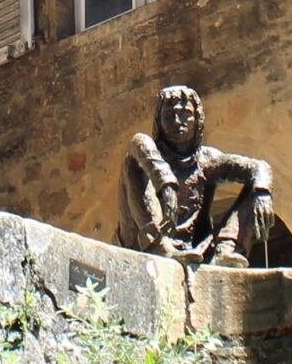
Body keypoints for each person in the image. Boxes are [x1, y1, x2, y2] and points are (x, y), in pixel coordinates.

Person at [118, 85, 275, 267]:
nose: (177, 121)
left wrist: (262, 192)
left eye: (186, 114)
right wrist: (165, 182)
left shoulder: (207, 160)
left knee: (258, 183)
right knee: (135, 157)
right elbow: (138, 144)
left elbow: (258, 167)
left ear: (198, 119)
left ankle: (226, 249)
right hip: (140, 246)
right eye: (169, 116)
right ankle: (159, 244)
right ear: (159, 122)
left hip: (195, 248)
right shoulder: (145, 149)